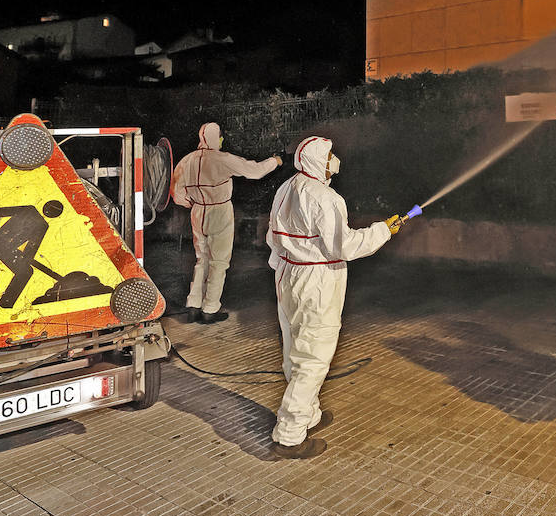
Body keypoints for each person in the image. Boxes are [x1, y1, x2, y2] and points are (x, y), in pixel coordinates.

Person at [265, 136, 402, 459]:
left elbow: (273, 236)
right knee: (314, 357)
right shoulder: (326, 198)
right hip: (317, 280)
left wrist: (281, 268)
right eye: (328, 156)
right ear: (316, 161)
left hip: (288, 275)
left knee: (296, 346)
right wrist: (382, 231)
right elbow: (345, 246)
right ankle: (290, 433)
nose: (334, 160)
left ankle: (308, 413)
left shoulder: (286, 188)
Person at [170, 122, 283, 323]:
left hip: (197, 212)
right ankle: (210, 309)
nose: (222, 139)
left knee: (201, 258)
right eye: (220, 136)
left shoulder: (187, 161)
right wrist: (275, 161)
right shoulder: (222, 159)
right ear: (216, 137)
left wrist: (191, 203)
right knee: (219, 261)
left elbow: (176, 193)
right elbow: (254, 171)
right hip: (219, 210)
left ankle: (194, 305)